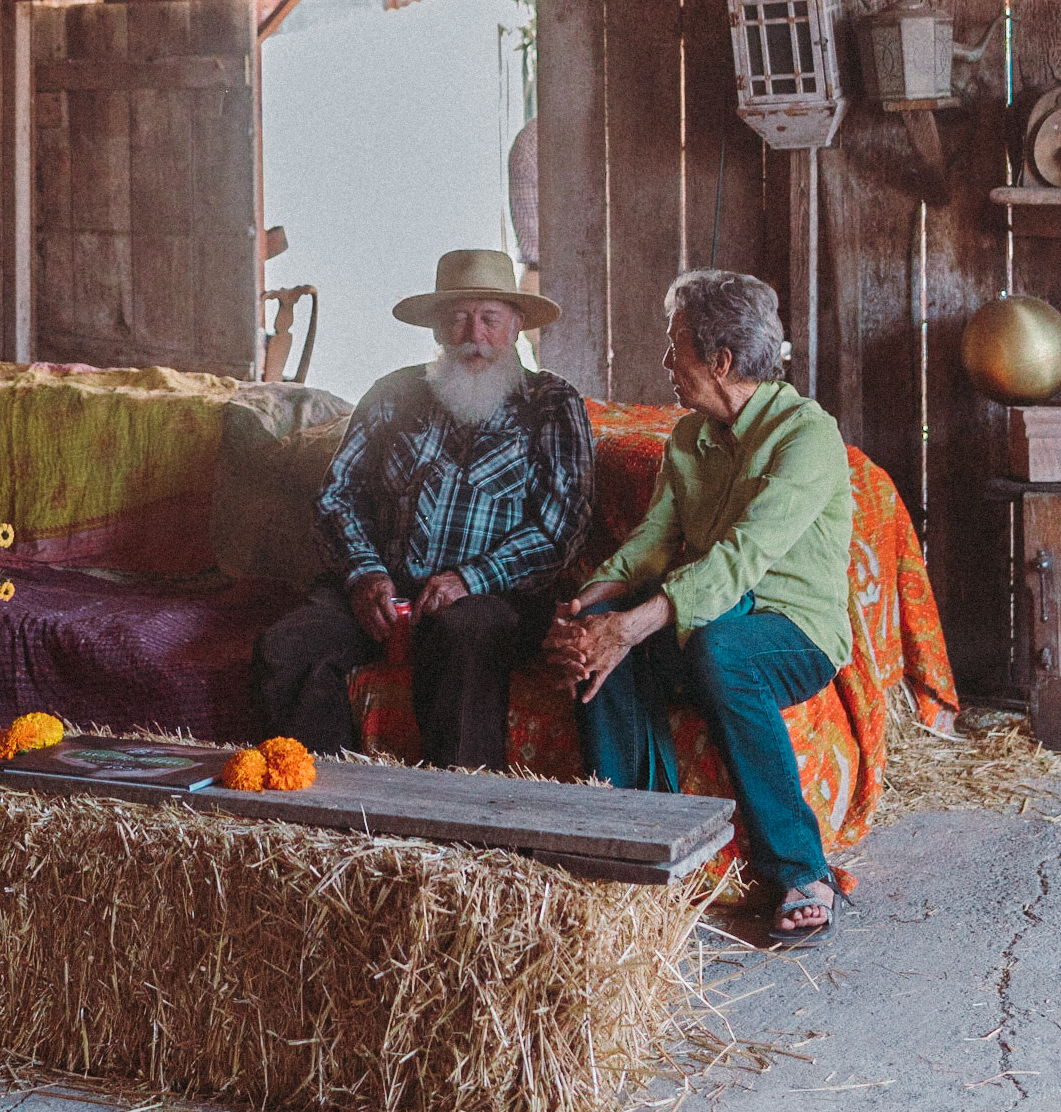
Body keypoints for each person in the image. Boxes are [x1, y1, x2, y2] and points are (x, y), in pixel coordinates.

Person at [544, 268, 851, 947]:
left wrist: (630, 624)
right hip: (709, 615)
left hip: (790, 631)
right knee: (607, 644)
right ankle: (624, 843)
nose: (664, 362)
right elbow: (653, 542)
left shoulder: (807, 436)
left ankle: (799, 869)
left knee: (717, 652)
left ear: (720, 360)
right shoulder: (689, 439)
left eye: (674, 345)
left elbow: (742, 557)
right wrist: (590, 607)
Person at [252, 249, 592, 770]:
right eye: (457, 317)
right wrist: (365, 575)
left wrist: (469, 578)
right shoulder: (393, 393)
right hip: (382, 592)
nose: (472, 333)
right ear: (436, 328)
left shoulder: (551, 402)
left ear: (517, 325)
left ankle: (456, 828)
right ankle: (329, 813)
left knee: (462, 638)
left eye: (489, 318)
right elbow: (336, 494)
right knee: (287, 648)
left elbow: (561, 527)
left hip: (492, 597)